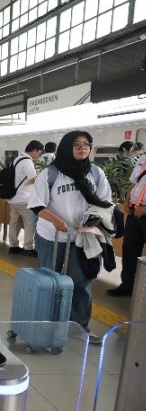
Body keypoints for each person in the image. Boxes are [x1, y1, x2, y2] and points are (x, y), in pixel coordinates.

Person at [28, 130, 113, 344]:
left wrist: (93, 220)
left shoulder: (96, 173)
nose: (83, 147)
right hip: (52, 237)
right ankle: (45, 325)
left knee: (81, 282)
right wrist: (54, 219)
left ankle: (79, 326)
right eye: (77, 144)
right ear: (67, 147)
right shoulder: (51, 174)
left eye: (86, 144)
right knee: (50, 281)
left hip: (84, 237)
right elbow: (37, 205)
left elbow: (104, 202)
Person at [107, 147, 146, 297]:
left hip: (143, 211)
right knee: (129, 250)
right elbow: (135, 182)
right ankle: (127, 285)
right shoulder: (143, 160)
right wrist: (127, 199)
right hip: (134, 213)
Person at [8, 140, 42, 257]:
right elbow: (33, 179)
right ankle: (28, 248)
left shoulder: (17, 159)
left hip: (12, 198)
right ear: (34, 150)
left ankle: (13, 246)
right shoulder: (27, 161)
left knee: (14, 222)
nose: (39, 155)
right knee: (29, 223)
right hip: (24, 199)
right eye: (39, 152)